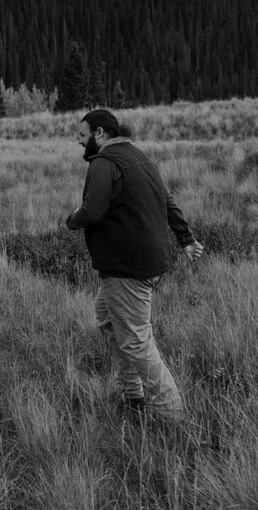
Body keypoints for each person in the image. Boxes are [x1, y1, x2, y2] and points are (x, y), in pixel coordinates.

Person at [66, 108, 203, 423]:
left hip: (126, 267)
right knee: (108, 320)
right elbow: (167, 200)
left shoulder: (104, 163)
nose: (79, 141)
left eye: (82, 135)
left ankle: (172, 415)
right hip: (147, 262)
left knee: (136, 340)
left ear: (100, 134)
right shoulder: (140, 156)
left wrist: (72, 219)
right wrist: (185, 239)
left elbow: (93, 211)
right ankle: (134, 395)